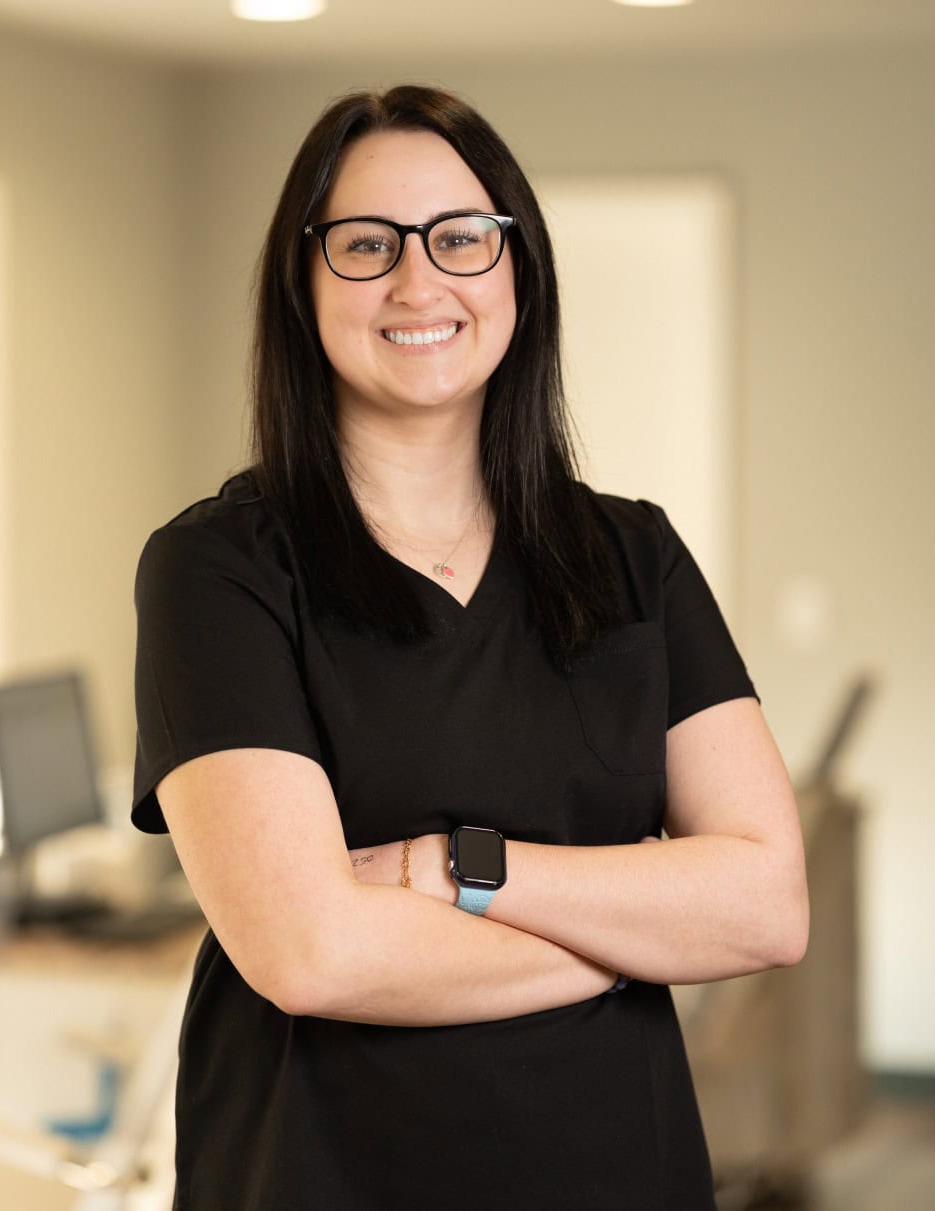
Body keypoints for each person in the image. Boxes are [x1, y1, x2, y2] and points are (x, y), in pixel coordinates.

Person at [131, 84, 809, 1211]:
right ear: (301, 284)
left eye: (460, 237)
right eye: (366, 244)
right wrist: (639, 933)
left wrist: (452, 866)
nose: (417, 281)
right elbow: (310, 953)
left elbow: (768, 903)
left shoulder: (634, 555)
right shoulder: (218, 570)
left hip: (618, 1174)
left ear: (517, 270)